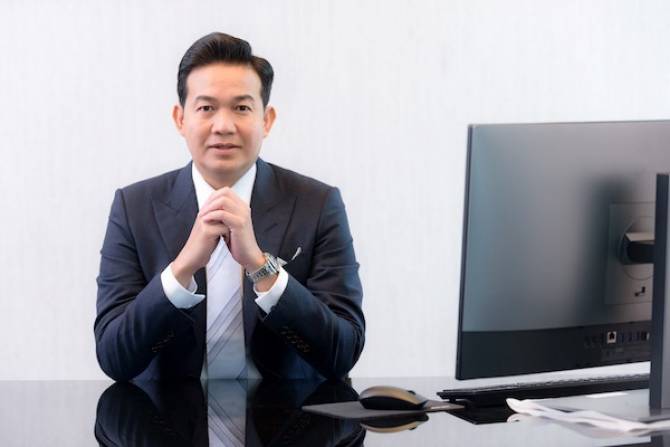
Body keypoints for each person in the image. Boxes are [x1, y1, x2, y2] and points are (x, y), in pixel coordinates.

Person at [94, 32, 365, 381]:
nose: (223, 126)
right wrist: (182, 270)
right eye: (206, 108)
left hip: (290, 412)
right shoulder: (134, 208)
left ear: (266, 120)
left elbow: (343, 351)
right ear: (180, 119)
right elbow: (114, 357)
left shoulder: (318, 204)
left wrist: (261, 267)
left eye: (241, 108)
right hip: (166, 412)